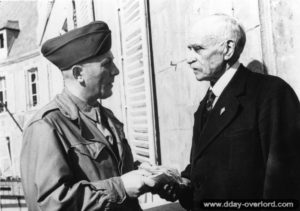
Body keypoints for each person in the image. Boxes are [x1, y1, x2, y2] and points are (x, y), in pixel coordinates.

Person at [161, 14, 300, 210]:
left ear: (227, 49)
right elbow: (205, 169)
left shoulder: (271, 93)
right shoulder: (206, 103)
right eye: (189, 49)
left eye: (198, 49)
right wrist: (177, 182)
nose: (189, 59)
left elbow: (284, 182)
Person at [20, 21, 156, 211]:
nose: (116, 71)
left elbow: (103, 171)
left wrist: (145, 174)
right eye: (107, 63)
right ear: (78, 74)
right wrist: (121, 186)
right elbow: (52, 203)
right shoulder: (46, 126)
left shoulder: (107, 117)